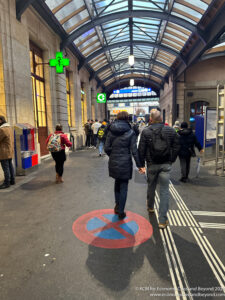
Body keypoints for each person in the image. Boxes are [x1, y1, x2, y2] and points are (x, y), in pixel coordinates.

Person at [138, 109, 180, 229]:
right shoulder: (171, 130)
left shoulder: (146, 132)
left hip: (151, 164)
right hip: (166, 164)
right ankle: (162, 220)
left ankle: (150, 207)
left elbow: (141, 149)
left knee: (151, 186)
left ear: (151, 119)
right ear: (161, 119)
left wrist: (141, 165)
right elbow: (177, 145)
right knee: (164, 191)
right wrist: (171, 159)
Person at [104, 111, 142, 220]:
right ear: (127, 118)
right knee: (124, 186)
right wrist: (140, 165)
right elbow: (134, 151)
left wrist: (113, 155)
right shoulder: (130, 132)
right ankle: (121, 211)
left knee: (117, 182)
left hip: (114, 161)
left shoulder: (111, 131)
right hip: (125, 162)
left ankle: (117, 205)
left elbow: (106, 148)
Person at [0, 116, 15, 189]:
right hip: (9, 150)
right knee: (10, 166)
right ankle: (12, 180)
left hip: (4, 152)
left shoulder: (2, 129)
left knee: (5, 167)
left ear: (0, 121)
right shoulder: (9, 128)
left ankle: (7, 183)